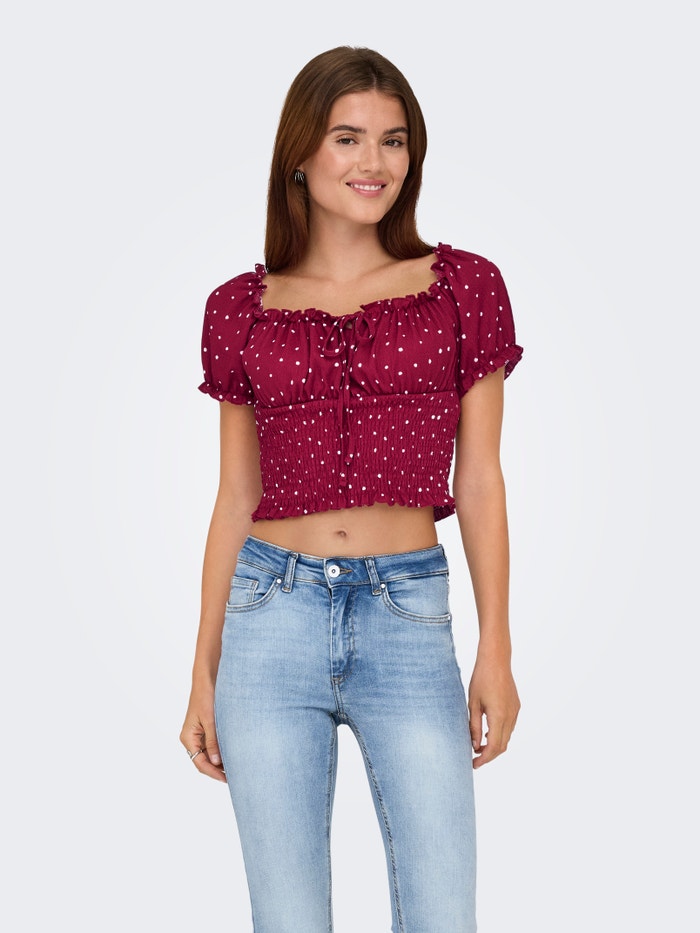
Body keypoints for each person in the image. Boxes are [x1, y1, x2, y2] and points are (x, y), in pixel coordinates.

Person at [180, 46, 523, 933]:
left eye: (393, 140)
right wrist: (203, 667)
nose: (374, 162)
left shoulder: (463, 289)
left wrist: (495, 647)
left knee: (442, 913)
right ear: (300, 153)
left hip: (407, 615)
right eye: (348, 138)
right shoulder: (240, 307)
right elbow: (234, 496)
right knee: (287, 919)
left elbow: (480, 480)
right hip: (269, 614)